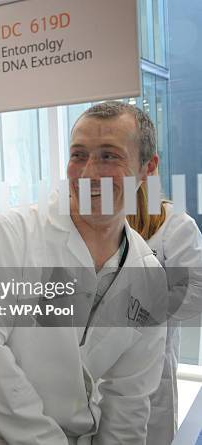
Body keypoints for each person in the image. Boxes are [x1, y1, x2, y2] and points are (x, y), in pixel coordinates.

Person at [0, 101, 168, 444]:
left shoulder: (148, 278)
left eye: (109, 156)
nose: (89, 172)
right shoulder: (8, 235)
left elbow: (129, 399)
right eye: (78, 155)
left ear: (147, 169)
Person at [127, 172, 202, 444]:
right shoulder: (98, 224)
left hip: (153, 367)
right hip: (97, 367)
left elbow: (195, 291)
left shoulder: (175, 224)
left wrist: (142, 306)